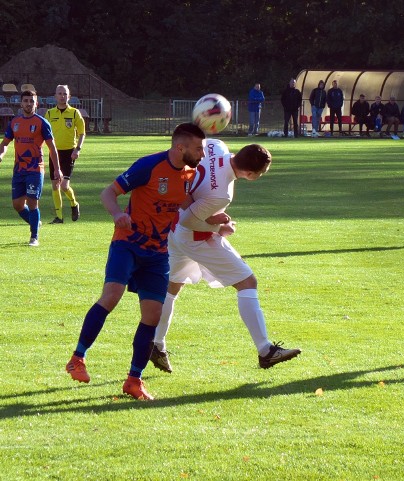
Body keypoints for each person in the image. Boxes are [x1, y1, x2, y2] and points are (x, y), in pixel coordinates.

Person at [64, 123, 204, 400]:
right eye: (198, 148)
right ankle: (77, 359)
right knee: (111, 296)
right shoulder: (149, 166)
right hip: (127, 243)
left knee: (152, 315)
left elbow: (184, 204)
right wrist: (117, 214)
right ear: (180, 147)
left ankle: (133, 381)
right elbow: (108, 193)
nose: (202, 153)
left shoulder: (191, 173)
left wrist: (215, 222)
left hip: (157, 254)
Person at [149, 139, 301, 374]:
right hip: (191, 236)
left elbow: (197, 157)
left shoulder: (216, 147)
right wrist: (218, 227)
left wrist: (207, 212)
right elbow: (190, 219)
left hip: (173, 229)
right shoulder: (221, 194)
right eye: (260, 174)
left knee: (172, 286)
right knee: (247, 281)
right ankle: (265, 351)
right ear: (249, 174)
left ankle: (156, 344)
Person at [0, 90, 62, 246]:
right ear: (21, 103)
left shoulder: (42, 123)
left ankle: (34, 237)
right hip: (19, 170)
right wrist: (1, 154)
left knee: (33, 202)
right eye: (26, 101)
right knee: (18, 205)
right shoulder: (14, 122)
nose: (28, 104)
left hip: (35, 169)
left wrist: (57, 169)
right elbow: (5, 144)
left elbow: (52, 148)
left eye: (31, 101)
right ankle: (36, 222)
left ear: (36, 103)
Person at [45, 84, 85, 224]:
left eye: (65, 93)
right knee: (55, 185)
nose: (62, 96)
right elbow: (44, 133)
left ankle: (74, 203)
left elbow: (82, 133)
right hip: (53, 152)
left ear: (69, 96)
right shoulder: (49, 114)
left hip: (69, 152)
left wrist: (77, 149)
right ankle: (59, 217)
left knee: (64, 186)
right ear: (55, 96)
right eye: (59, 93)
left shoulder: (75, 113)